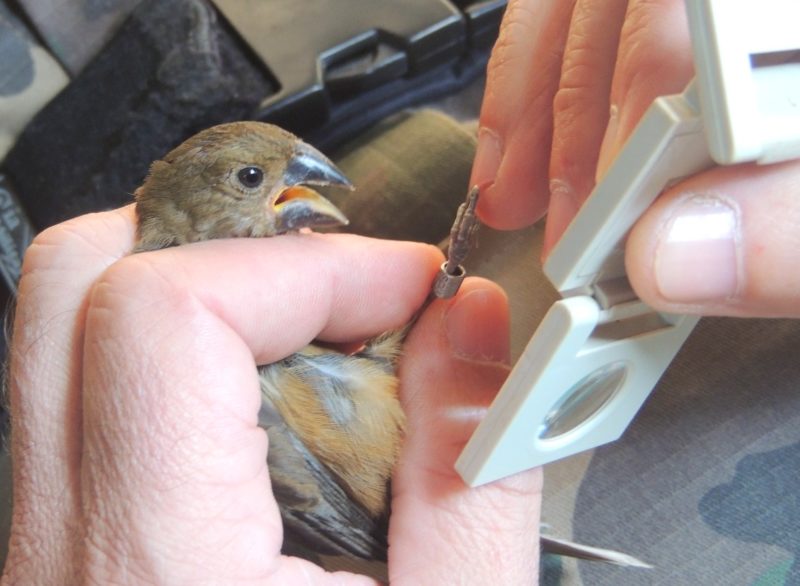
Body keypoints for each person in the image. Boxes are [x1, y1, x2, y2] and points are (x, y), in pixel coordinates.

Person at [2, 1, 797, 585]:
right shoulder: (169, 340)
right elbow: (322, 500)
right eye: (256, 180)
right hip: (410, 489)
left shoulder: (174, 313)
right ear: (194, 210)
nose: (304, 180)